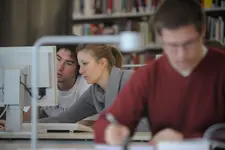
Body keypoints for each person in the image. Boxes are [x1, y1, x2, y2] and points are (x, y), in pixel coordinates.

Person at [94, 0, 225, 145]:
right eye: (172, 45)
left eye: (189, 43)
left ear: (203, 31)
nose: (181, 55)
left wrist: (186, 140)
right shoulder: (148, 75)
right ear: (160, 37)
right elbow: (105, 123)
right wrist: (110, 131)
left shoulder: (221, 68)